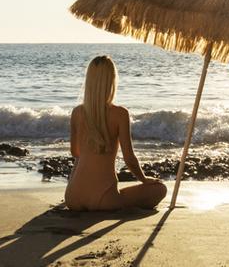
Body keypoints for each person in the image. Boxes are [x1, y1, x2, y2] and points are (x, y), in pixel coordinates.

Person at [64, 55, 167, 211]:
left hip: (72, 197)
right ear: (111, 81)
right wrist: (144, 179)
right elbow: (129, 158)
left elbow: (75, 152)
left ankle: (82, 193)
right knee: (159, 189)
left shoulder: (77, 112)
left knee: (80, 159)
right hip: (103, 197)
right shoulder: (120, 114)